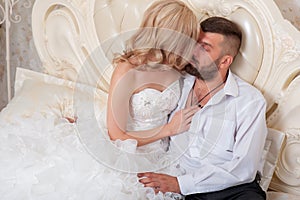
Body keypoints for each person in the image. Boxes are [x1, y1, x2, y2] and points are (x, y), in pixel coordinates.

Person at [138, 17, 268, 200]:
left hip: (232, 188)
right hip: (181, 182)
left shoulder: (250, 101)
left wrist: (181, 184)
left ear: (224, 61)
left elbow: (244, 168)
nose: (193, 52)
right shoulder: (176, 83)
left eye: (204, 48)